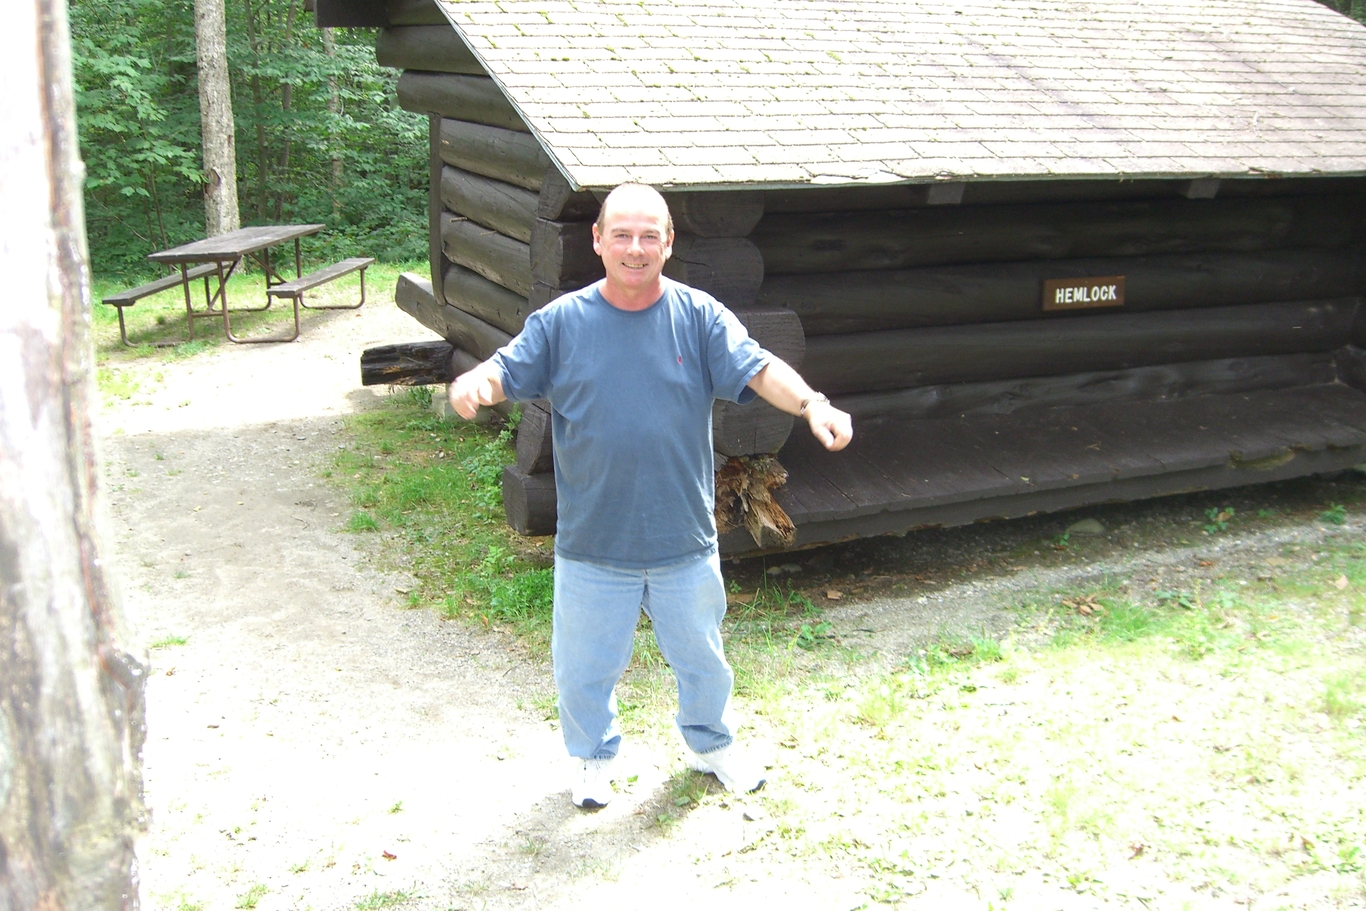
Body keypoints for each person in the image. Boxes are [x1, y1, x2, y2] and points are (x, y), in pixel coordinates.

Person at [448, 183, 852, 809]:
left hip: (681, 537)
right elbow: (505, 367)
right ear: (598, 241)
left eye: (648, 236)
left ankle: (711, 745)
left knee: (703, 662)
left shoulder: (700, 316)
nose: (634, 248)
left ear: (668, 242)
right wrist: (477, 379)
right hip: (592, 541)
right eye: (621, 235)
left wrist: (812, 403)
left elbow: (760, 367)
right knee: (584, 668)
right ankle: (592, 759)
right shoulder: (561, 322)